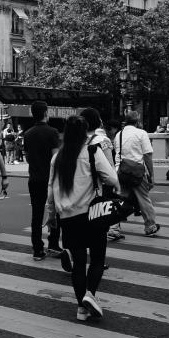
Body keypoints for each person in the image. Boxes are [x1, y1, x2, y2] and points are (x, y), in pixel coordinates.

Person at [46, 115, 119, 321]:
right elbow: (112, 178)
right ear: (86, 132)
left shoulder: (57, 157)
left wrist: (51, 216)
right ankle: (90, 295)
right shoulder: (92, 151)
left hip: (67, 217)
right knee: (97, 259)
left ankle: (81, 308)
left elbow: (50, 191)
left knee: (78, 263)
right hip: (92, 215)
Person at [23, 101, 62, 260]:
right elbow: (56, 158)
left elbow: (27, 157)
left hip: (34, 178)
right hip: (50, 180)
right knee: (55, 212)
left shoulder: (28, 133)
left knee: (36, 214)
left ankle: (37, 249)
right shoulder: (53, 132)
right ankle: (53, 244)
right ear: (46, 113)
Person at [113, 110, 160, 236]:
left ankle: (113, 227)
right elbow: (147, 155)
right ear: (138, 121)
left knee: (121, 200)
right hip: (137, 172)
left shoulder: (119, 134)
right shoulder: (141, 133)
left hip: (121, 171)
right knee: (143, 198)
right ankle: (150, 226)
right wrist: (152, 175)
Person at [102, 118, 125, 240]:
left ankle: (113, 228)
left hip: (113, 174)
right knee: (114, 200)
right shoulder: (109, 140)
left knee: (112, 200)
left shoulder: (113, 140)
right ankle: (114, 228)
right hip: (116, 173)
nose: (107, 132)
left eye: (108, 129)